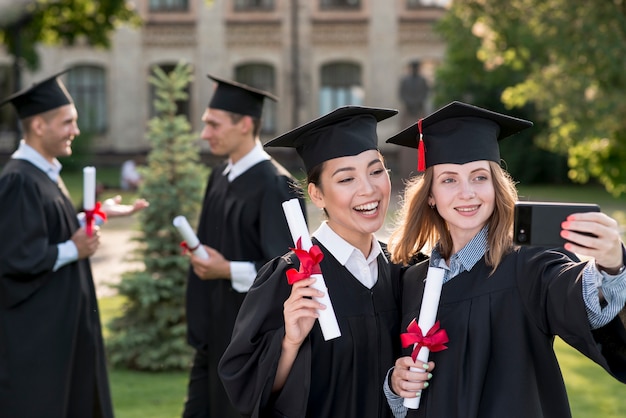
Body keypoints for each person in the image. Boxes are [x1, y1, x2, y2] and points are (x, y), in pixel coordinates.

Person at [383, 101, 626, 417]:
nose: (467, 192)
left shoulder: (529, 263)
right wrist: (396, 386)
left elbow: (580, 300)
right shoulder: (414, 280)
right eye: (449, 180)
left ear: (496, 186)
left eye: (479, 177)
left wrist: (611, 264)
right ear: (431, 195)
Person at [218, 105, 404, 417]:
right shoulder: (290, 278)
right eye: (346, 179)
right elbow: (249, 391)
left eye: (376, 171)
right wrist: (290, 342)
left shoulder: (405, 269)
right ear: (316, 195)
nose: (369, 189)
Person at [0, 70, 148, 417]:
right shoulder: (19, 181)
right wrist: (74, 249)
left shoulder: (44, 174)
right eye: (68, 122)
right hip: (35, 338)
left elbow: (48, 230)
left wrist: (101, 215)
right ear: (38, 126)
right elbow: (14, 256)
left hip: (60, 332)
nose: (76, 131)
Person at [182, 74, 307, 418]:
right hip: (214, 332)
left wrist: (226, 269)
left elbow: (290, 271)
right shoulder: (219, 176)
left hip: (249, 341)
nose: (205, 133)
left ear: (245, 124)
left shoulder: (277, 185)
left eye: (214, 124)